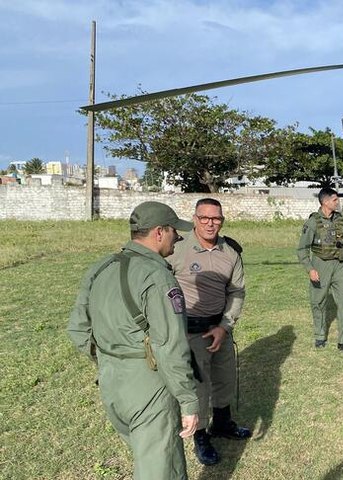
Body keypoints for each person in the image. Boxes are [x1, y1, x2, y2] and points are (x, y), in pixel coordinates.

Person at [67, 201, 199, 479]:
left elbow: (78, 330)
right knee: (161, 469)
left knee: (147, 458)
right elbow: (169, 347)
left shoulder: (100, 267)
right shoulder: (157, 277)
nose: (179, 237)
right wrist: (188, 402)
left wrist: (110, 361)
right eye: (175, 231)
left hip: (112, 383)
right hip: (149, 388)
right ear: (160, 232)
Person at [167, 198, 251, 466]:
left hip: (220, 327)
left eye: (216, 219)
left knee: (225, 379)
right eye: (204, 218)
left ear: (222, 220)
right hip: (190, 331)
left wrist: (225, 326)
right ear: (194, 219)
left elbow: (236, 291)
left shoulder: (230, 252)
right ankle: (201, 435)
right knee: (200, 387)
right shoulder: (176, 250)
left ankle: (222, 424)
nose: (210, 223)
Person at [297, 187, 343, 352]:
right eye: (335, 200)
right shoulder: (312, 222)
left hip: (339, 266)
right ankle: (320, 335)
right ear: (325, 201)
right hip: (320, 264)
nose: (338, 202)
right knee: (318, 302)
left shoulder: (341, 220)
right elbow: (302, 249)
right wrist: (310, 269)